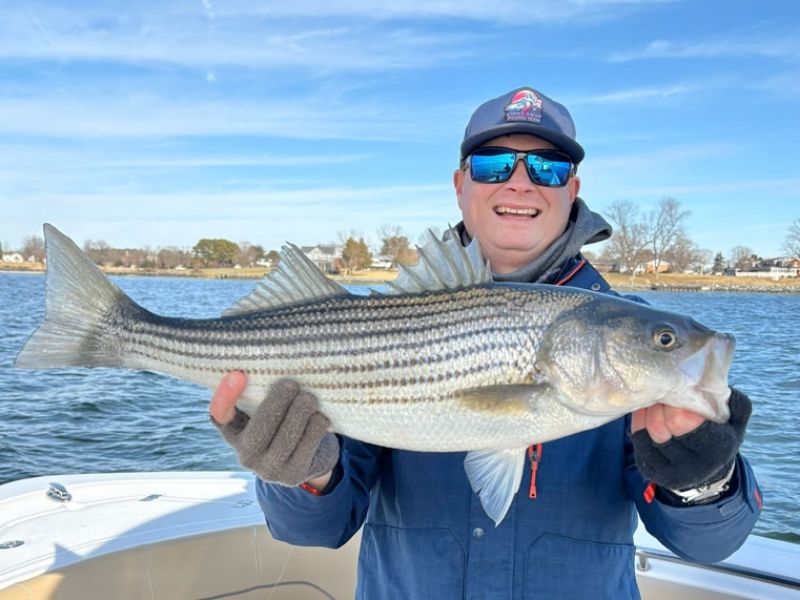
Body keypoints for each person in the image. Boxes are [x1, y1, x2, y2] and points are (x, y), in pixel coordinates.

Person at [209, 87, 762, 599]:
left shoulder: (632, 344)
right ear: (460, 185)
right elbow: (314, 529)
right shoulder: (370, 325)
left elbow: (708, 543)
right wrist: (305, 472)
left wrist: (702, 479)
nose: (520, 182)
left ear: (571, 191)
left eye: (547, 167)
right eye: (494, 163)